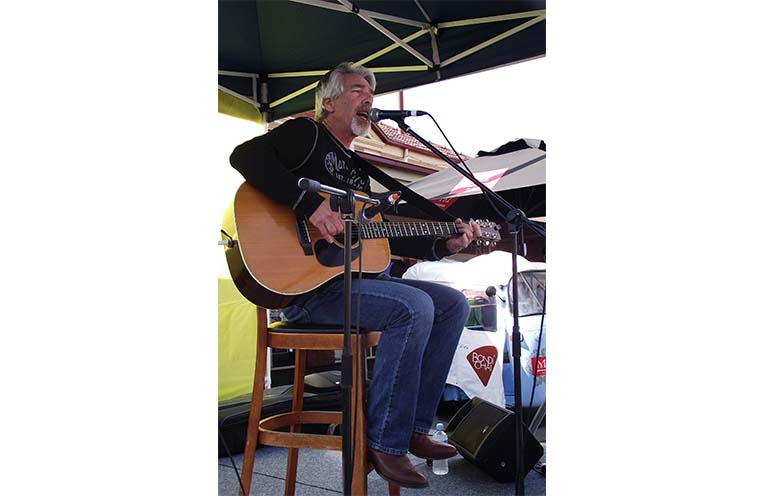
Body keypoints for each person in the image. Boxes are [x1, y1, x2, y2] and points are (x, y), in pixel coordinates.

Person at [230, 62, 480, 488]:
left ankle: (415, 427)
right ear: (328, 102)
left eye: (371, 92)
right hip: (307, 291)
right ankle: (386, 441)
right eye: (357, 89)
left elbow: (381, 235)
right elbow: (244, 156)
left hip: (356, 286)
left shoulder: (359, 170)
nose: (369, 97)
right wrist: (308, 205)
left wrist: (444, 245)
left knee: (452, 303)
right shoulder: (306, 135)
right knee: (413, 307)